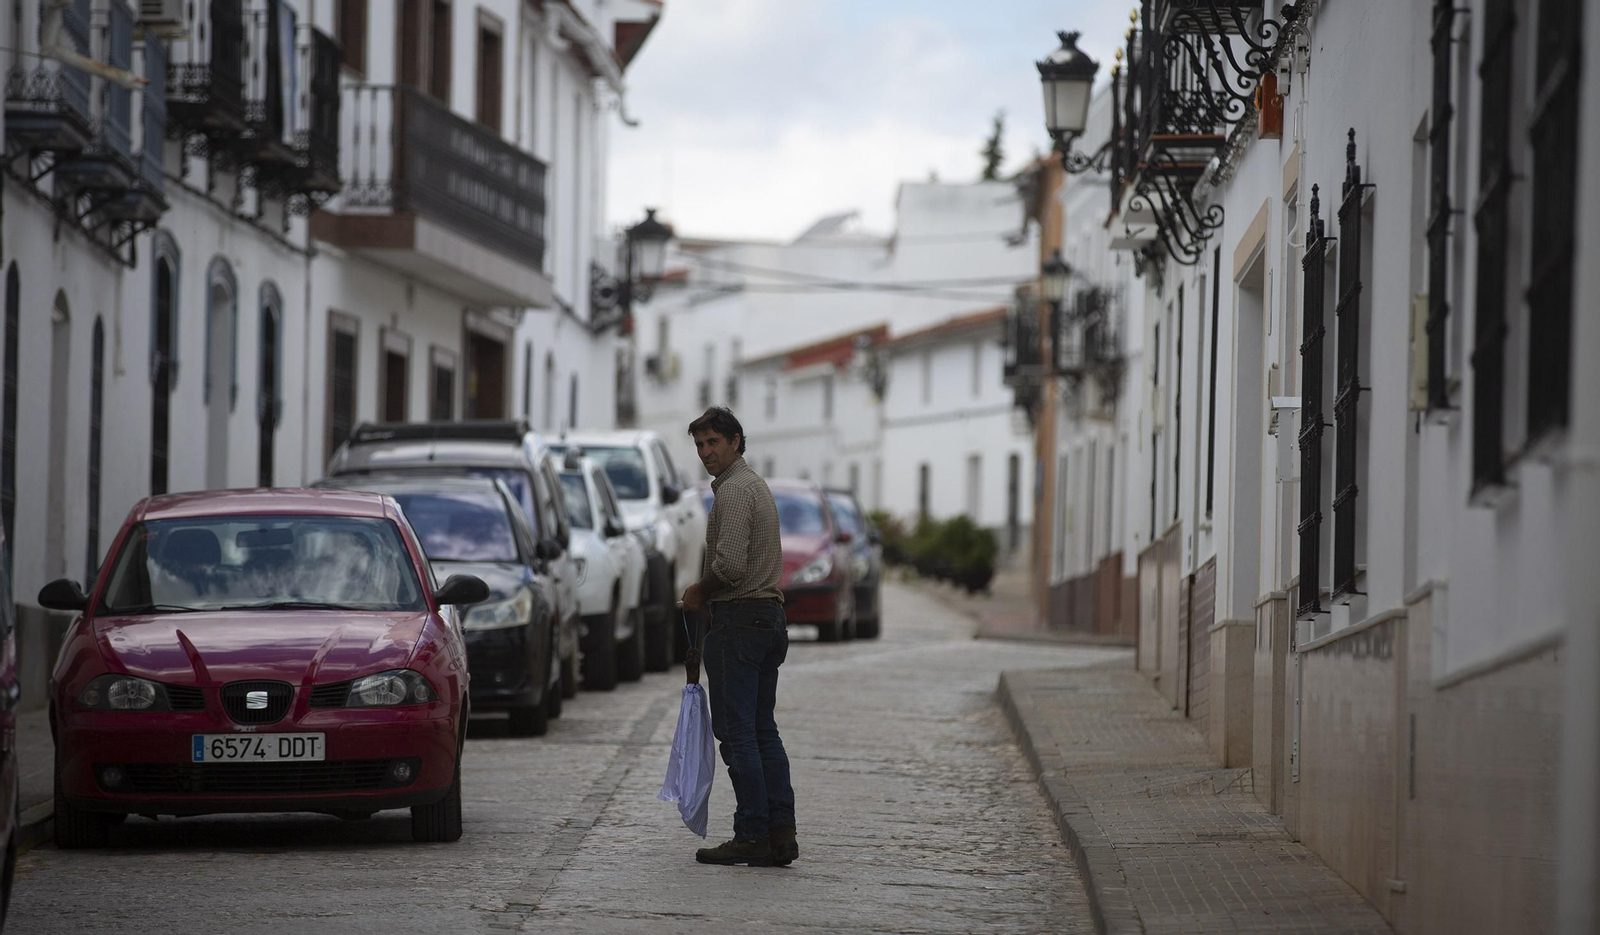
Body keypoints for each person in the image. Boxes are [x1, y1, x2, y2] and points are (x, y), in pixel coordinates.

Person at [680, 406, 797, 868]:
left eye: (713, 443)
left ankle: (752, 832)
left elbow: (728, 565)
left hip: (740, 621)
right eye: (700, 446)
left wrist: (697, 591)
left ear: (736, 441)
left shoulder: (733, 493)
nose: (707, 453)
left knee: (738, 732)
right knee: (763, 730)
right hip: (768, 618)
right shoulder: (756, 486)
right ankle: (780, 832)